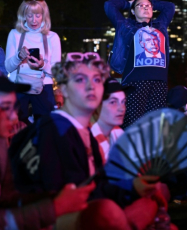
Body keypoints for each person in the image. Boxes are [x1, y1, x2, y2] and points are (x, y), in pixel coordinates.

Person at [10, 55, 176, 230]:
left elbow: (98, 185)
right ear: (65, 89)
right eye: (80, 81)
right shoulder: (54, 130)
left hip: (80, 209)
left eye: (96, 81)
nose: (90, 88)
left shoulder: (85, 133)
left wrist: (134, 187)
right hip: (49, 218)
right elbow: (57, 197)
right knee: (107, 211)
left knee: (152, 199)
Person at [0, 68, 95, 229]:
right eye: (5, 108)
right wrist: (55, 208)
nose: (14, 117)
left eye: (15, 107)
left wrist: (54, 196)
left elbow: (8, 197)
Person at [105, 0, 175, 129]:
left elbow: (169, 7)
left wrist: (150, 3)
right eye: (141, 6)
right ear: (133, 11)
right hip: (134, 82)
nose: (145, 8)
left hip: (159, 83)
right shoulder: (126, 26)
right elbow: (109, 5)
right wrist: (128, 3)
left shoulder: (160, 25)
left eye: (148, 6)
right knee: (133, 125)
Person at [5, 0, 61, 124]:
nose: (34, 20)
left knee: (45, 130)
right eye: (30, 16)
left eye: (37, 15)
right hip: (19, 86)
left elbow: (57, 72)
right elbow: (8, 67)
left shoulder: (52, 37)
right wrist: (19, 57)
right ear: (23, 15)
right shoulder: (14, 34)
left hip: (44, 87)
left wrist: (42, 65)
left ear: (44, 15)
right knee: (16, 129)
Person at [91, 77, 126, 163]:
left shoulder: (118, 132)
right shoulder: (88, 140)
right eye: (113, 102)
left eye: (123, 102)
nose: (121, 108)